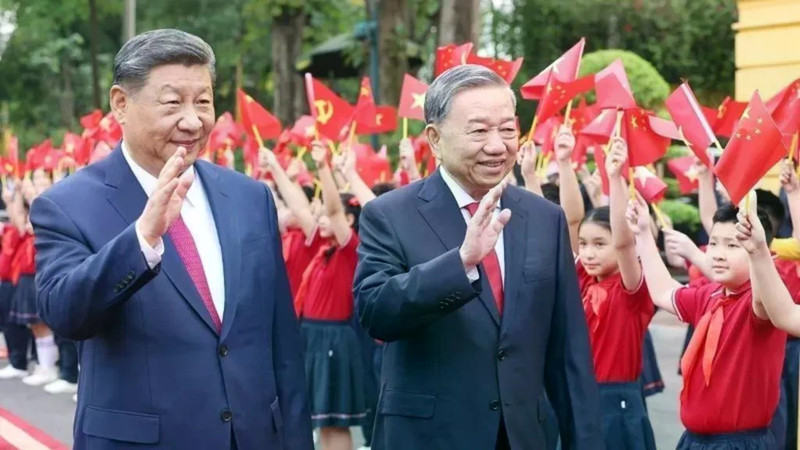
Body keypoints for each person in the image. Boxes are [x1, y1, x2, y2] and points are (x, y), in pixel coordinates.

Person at [31, 29, 312, 449]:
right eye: (172, 103)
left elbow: (281, 344)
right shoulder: (68, 204)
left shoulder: (249, 197)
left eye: (203, 102)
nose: (192, 120)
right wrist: (142, 238)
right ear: (121, 104)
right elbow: (66, 313)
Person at [354, 64, 603, 450]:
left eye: (507, 129)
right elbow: (376, 314)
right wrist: (461, 264)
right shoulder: (389, 214)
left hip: (521, 436)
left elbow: (568, 352)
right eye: (479, 130)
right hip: (428, 438)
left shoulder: (543, 218)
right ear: (435, 138)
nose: (497, 145)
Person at [629, 194, 789, 449]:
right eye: (713, 243)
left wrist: (757, 252)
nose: (717, 254)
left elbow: (764, 297)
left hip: (740, 443)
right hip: (695, 440)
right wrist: (644, 234)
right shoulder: (711, 294)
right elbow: (662, 292)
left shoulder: (760, 301)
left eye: (733, 246)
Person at [573, 140, 656, 449]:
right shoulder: (585, 279)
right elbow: (570, 219)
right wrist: (565, 162)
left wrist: (616, 178)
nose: (588, 253)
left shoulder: (631, 287)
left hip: (617, 400)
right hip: (581, 395)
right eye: (584, 244)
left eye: (599, 244)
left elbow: (624, 244)